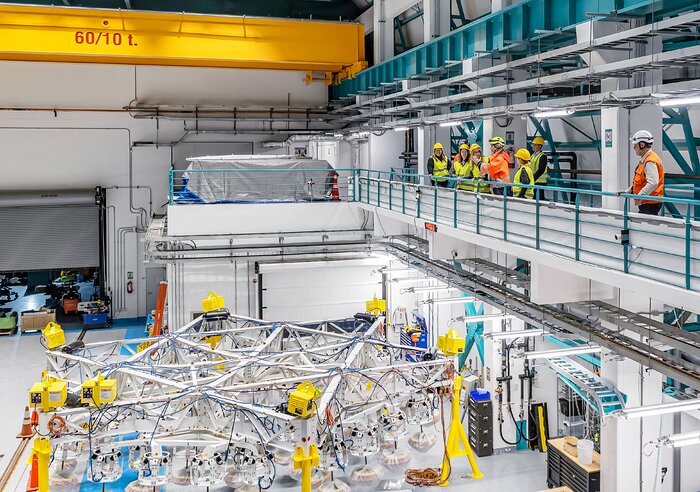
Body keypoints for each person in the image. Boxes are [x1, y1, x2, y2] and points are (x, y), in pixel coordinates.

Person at [616, 130, 665, 215]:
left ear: (642, 145)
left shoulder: (650, 161)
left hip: (650, 203)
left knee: (643, 226)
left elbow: (653, 183)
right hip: (648, 202)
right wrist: (627, 191)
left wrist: (640, 196)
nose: (634, 148)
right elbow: (641, 181)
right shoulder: (646, 159)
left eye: (635, 145)